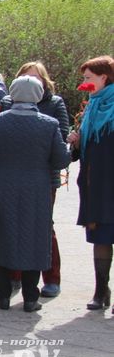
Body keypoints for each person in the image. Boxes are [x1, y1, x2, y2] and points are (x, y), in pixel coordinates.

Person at [0, 76, 69, 312]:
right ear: (38, 96)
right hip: (36, 191)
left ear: (13, 94)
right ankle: (30, 298)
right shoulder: (49, 124)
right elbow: (60, 159)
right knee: (34, 240)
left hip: (2, 189)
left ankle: (3, 295)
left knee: (1, 238)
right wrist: (73, 146)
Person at [0, 61, 69, 297]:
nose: (31, 81)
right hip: (10, 179)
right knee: (13, 225)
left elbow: (62, 141)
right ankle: (16, 276)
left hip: (43, 178)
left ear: (44, 80)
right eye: (26, 76)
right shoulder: (7, 103)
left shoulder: (54, 103)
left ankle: (51, 277)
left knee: (44, 227)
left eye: (36, 77)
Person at [67, 55, 114, 312]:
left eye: (88, 78)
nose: (84, 82)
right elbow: (82, 152)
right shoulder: (91, 107)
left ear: (103, 77)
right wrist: (76, 141)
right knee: (102, 236)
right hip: (95, 183)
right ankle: (101, 291)